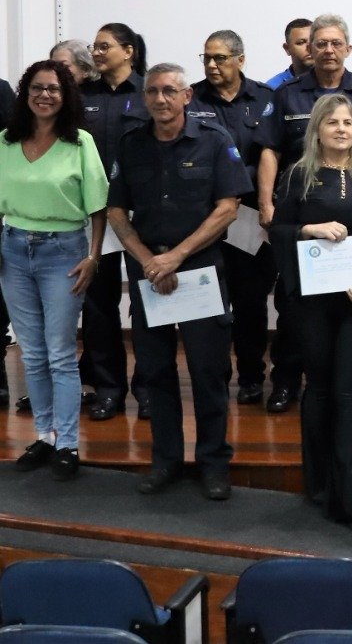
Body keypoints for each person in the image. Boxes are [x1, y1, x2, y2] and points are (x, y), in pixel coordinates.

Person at [107, 63, 252, 499]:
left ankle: (213, 463)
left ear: (187, 96)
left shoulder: (214, 141)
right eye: (152, 91)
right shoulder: (131, 144)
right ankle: (165, 461)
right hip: (148, 270)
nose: (160, 99)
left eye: (170, 91)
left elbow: (228, 209)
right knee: (154, 370)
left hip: (198, 270)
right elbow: (117, 211)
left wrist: (176, 256)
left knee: (208, 371)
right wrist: (150, 260)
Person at [270, 94, 352, 533]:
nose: (341, 129)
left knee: (348, 391)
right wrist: (308, 228)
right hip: (312, 304)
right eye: (332, 122)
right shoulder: (297, 176)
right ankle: (320, 485)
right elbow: (278, 230)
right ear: (317, 130)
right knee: (319, 388)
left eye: (348, 123)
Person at [257, 13, 352, 413]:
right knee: (294, 316)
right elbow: (270, 149)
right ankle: (285, 381)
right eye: (321, 43)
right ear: (309, 49)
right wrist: (268, 203)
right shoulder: (286, 93)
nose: (329, 50)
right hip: (303, 202)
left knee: (351, 349)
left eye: (336, 43)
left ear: (348, 48)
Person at [1, 60, 108, 480]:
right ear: (25, 93)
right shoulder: (5, 142)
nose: (45, 95)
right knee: (32, 353)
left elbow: (98, 207)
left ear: (66, 97)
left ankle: (67, 443)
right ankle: (44, 435)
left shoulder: (80, 142)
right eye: (37, 88)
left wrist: (94, 257)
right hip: (12, 251)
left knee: (60, 353)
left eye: (54, 89)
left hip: (63, 252)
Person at [187, 30, 278, 407]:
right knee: (208, 301)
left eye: (220, 58)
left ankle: (252, 376)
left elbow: (272, 153)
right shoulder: (191, 98)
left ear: (240, 60)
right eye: (206, 58)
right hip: (204, 216)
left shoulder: (265, 99)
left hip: (250, 217)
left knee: (250, 302)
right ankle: (214, 377)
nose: (211, 65)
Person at [81, 22, 150, 422]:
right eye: (95, 46)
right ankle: (108, 389)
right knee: (98, 306)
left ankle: (149, 389)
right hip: (94, 215)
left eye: (104, 46)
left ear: (128, 51)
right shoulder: (83, 95)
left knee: (146, 303)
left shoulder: (147, 92)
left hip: (140, 213)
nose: (97, 52)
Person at [265, 18, 313, 90]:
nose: (310, 47)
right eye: (301, 43)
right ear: (287, 48)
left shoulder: (331, 82)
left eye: (314, 41)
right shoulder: (273, 88)